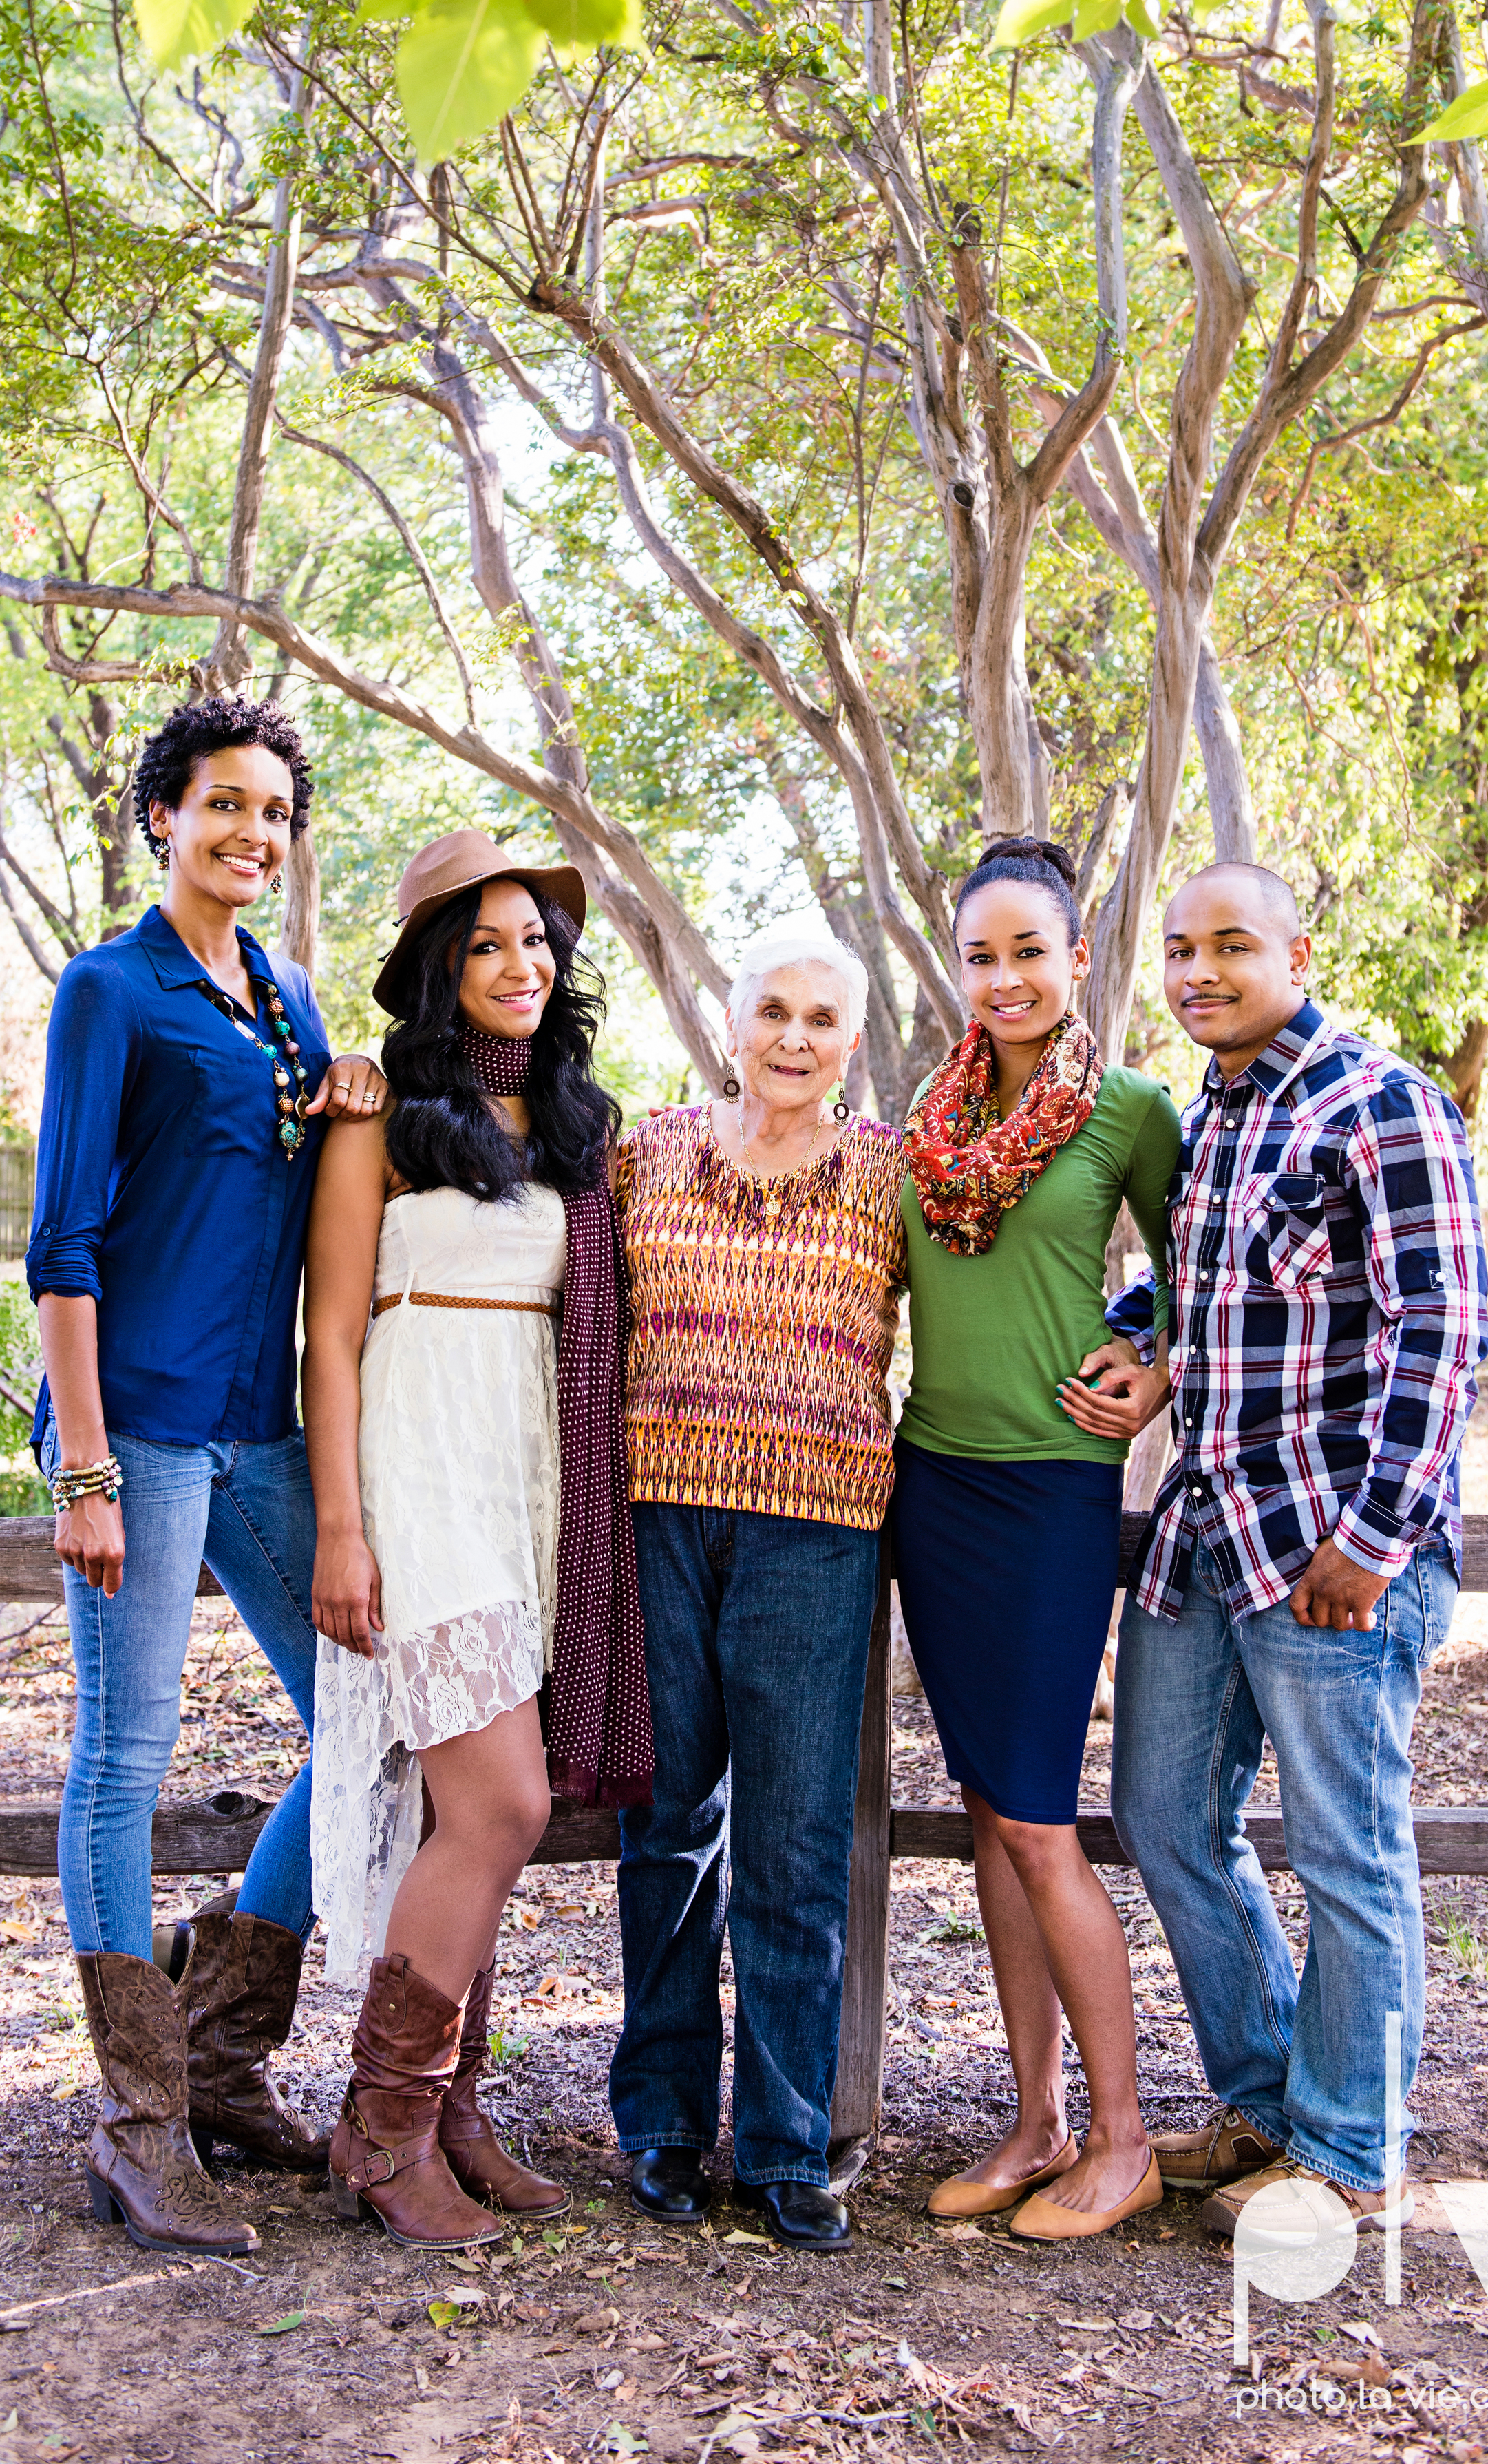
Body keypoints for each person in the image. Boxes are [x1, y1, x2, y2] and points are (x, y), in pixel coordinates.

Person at [1070, 861, 1488, 2237]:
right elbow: (1192, 1279)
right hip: (1204, 1537)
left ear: (1294, 949)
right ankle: (1267, 2103)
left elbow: (1441, 1331)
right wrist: (1140, 1341)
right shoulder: (1212, 1118)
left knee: (1345, 1848)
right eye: (1179, 951)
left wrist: (1371, 1541)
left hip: (1329, 1553)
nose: (1197, 971)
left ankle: (1352, 2150)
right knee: (1164, 1820)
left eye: (1229, 946)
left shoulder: (1380, 1102)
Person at [29, 694, 386, 2257]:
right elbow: (65, 1243)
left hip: (259, 1424)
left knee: (371, 1717)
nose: (252, 832)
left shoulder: (291, 1002)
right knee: (128, 1748)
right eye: (222, 804)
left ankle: (223, 2056)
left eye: (274, 811)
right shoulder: (111, 989)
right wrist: (88, 1465)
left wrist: (355, 1082)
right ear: (162, 815)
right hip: (143, 1426)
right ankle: (134, 2118)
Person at [304, 828, 650, 2252]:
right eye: (486, 943)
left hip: (531, 1470)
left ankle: (447, 2115)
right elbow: (327, 1334)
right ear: (437, 968)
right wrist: (341, 1524)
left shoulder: (577, 1126)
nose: (520, 965)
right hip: (421, 1463)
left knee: (477, 1818)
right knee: (500, 1802)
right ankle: (378, 2127)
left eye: (536, 941)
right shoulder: (374, 1107)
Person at [891, 837, 1179, 2241]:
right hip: (930, 1487)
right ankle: (1032, 2120)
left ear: (1074, 960)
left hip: (1053, 1489)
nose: (1002, 977)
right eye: (979, 953)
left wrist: (1159, 1366)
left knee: (1040, 1820)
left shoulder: (1125, 1109)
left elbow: (1209, 1278)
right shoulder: (923, 1126)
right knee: (995, 1823)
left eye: (1027, 951)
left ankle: (1123, 2140)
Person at [609, 929, 906, 2252]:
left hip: (819, 1534)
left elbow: (1041, 1274)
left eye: (821, 1019)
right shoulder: (644, 1155)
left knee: (794, 1844)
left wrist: (1142, 1346)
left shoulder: (893, 1177)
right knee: (669, 1829)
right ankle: (664, 2120)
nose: (794, 1037)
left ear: (854, 1040)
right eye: (772, 1012)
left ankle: (789, 2139)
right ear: (732, 1026)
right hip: (659, 1518)